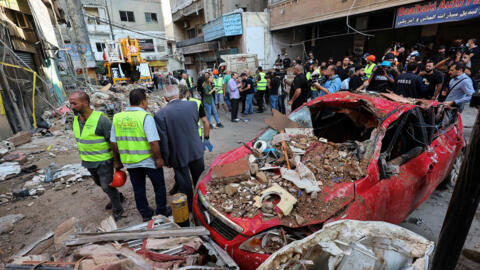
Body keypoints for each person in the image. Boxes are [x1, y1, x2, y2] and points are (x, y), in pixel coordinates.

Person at [111, 88, 170, 222]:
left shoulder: (117, 117)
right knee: (159, 186)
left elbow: (113, 143)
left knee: (138, 189)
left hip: (131, 161)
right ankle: (161, 211)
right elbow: (153, 142)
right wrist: (159, 158)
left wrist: (117, 161)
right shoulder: (145, 117)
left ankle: (145, 214)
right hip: (149, 160)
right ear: (143, 101)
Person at [69, 91, 126, 221]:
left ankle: (118, 209)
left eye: (74, 103)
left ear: (86, 103)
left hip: (104, 161)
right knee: (99, 183)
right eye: (70, 104)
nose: (71, 107)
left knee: (107, 185)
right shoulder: (76, 120)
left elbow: (113, 142)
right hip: (88, 161)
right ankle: (117, 197)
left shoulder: (101, 120)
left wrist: (117, 161)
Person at [154, 86, 205, 211]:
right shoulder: (193, 105)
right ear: (179, 95)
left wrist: (167, 159)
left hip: (178, 153)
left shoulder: (161, 114)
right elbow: (194, 124)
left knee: (184, 183)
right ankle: (202, 205)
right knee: (199, 179)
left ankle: (190, 208)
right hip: (195, 149)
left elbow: (164, 141)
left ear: (165, 98)